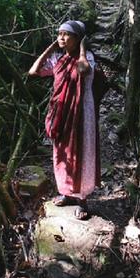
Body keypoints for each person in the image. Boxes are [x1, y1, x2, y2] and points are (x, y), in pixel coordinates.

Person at [28, 20, 100, 220]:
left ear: (78, 39)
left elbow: (83, 69)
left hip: (81, 114)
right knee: (61, 153)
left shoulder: (88, 59)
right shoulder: (58, 61)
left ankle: (83, 200)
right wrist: (50, 48)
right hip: (60, 113)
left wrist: (83, 50)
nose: (61, 37)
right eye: (59, 34)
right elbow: (34, 71)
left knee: (80, 152)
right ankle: (67, 193)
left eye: (66, 34)